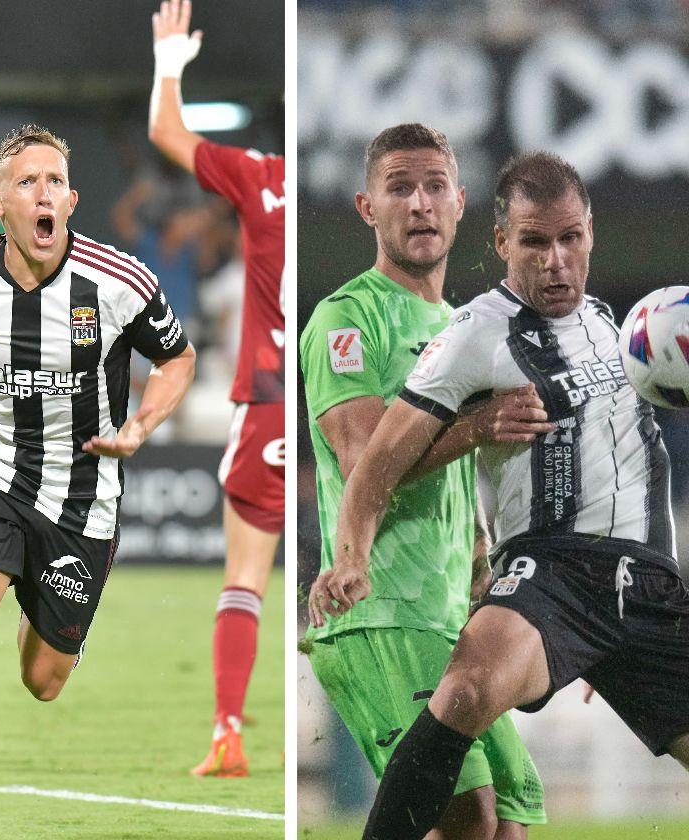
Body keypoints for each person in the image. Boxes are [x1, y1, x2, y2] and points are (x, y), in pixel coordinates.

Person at [318, 151, 689, 840]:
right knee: (465, 690)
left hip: (646, 587)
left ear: (589, 234)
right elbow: (374, 464)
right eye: (534, 242)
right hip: (550, 571)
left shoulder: (618, 331)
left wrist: (614, 634)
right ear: (501, 243)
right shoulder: (474, 335)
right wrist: (352, 556)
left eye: (569, 238)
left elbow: (645, 461)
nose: (555, 260)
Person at [0, 124, 196, 840]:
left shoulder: (118, 283)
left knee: (44, 680)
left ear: (73, 199)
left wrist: (144, 423)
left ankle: (49, 615)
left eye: (55, 180)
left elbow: (177, 361)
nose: (44, 193)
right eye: (27, 182)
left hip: (82, 498)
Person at [302, 125, 549, 837]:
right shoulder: (346, 320)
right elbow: (364, 463)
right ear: (366, 207)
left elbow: (456, 482)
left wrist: (478, 559)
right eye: (399, 188)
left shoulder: (457, 327)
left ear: (462, 202)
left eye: (435, 186)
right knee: (467, 816)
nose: (419, 204)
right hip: (379, 613)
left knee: (509, 819)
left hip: (446, 616)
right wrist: (478, 424)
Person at [147, 0, 286, 777]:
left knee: (245, 578)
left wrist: (170, 60)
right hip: (357, 405)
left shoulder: (265, 182)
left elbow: (167, 135)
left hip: (268, 403)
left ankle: (229, 734)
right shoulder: (378, 211)